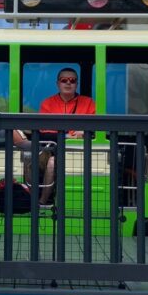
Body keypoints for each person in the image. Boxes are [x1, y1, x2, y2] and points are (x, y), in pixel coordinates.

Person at [30, 68, 96, 204]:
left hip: (78, 153)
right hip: (51, 149)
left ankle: (42, 202)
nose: (68, 83)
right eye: (64, 80)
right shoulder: (47, 103)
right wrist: (68, 135)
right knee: (29, 161)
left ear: (77, 84)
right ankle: (30, 200)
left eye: (72, 80)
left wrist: (85, 132)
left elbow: (95, 128)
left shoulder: (89, 102)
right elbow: (44, 131)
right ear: (57, 84)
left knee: (52, 163)